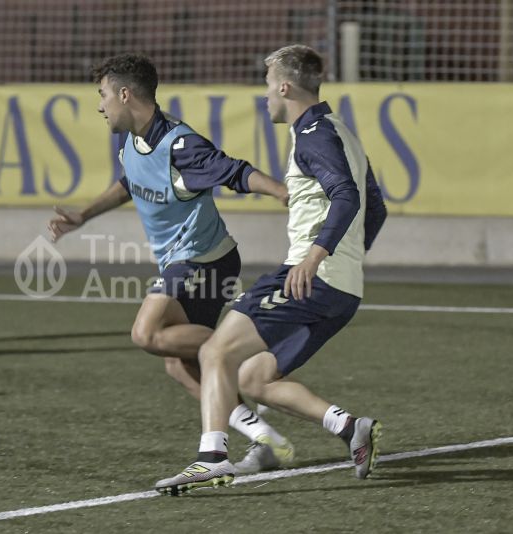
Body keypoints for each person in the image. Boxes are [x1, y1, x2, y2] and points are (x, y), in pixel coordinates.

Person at [156, 44, 388, 496]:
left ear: (284, 86)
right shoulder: (339, 130)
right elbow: (375, 205)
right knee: (253, 378)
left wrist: (319, 255)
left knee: (215, 352)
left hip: (310, 277)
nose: (265, 97)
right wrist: (347, 260)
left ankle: (211, 458)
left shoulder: (315, 135)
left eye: (267, 87)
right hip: (342, 289)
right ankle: (351, 428)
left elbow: (348, 196)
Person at [48, 53, 294, 472]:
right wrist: (83, 215)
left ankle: (241, 354)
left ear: (125, 95)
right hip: (182, 261)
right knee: (178, 366)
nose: (100, 104)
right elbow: (130, 183)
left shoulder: (180, 144)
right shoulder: (131, 139)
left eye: (103, 94)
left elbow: (233, 171)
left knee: (146, 332)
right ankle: (264, 437)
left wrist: (282, 192)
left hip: (205, 260)